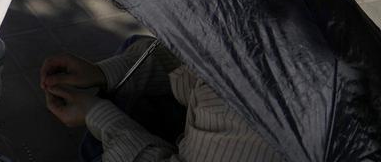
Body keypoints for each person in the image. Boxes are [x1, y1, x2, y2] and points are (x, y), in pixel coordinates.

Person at [41, 39, 281, 161]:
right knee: (137, 45)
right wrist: (100, 73)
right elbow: (185, 63)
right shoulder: (250, 40)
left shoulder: (239, 99)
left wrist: (95, 113)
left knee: (95, 147)